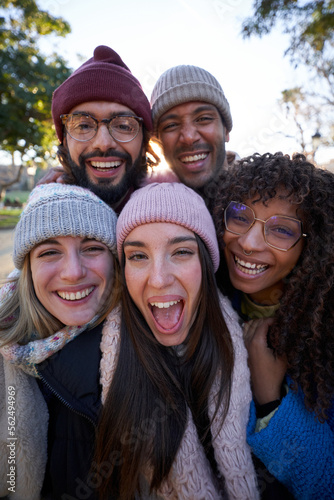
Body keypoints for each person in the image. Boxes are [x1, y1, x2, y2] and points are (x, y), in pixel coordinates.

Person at [93, 182, 259, 499]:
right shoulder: (90, 373)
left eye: (181, 252)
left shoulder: (254, 353)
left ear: (206, 267)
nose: (158, 278)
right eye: (138, 256)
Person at [213, 152, 334, 499]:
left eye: (281, 229)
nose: (249, 243)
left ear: (313, 247)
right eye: (240, 216)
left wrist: (270, 402)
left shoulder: (324, 331)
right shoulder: (213, 301)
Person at [0, 183, 119, 499]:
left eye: (92, 247)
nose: (73, 272)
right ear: (28, 269)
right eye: (50, 252)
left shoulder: (146, 350)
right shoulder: (5, 343)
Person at [44, 44, 159, 212]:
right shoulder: (43, 219)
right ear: (65, 142)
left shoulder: (177, 215)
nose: (103, 143)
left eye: (123, 125)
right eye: (83, 125)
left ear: (144, 143)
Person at [150, 64, 236, 211]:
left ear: (226, 130)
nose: (189, 137)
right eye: (171, 125)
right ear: (160, 143)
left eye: (203, 119)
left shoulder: (269, 197)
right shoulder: (150, 210)